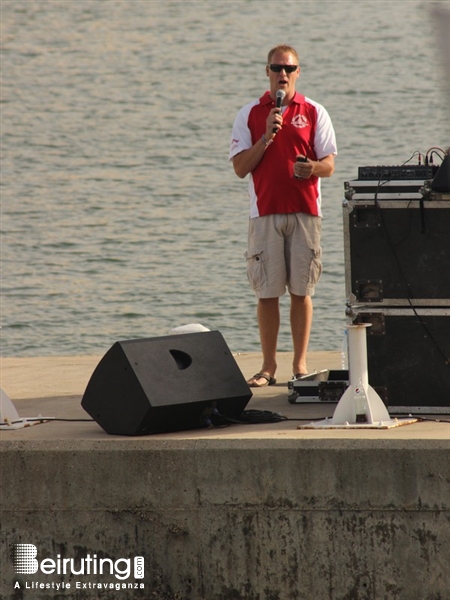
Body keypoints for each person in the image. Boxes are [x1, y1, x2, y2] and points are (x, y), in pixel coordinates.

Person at [229, 44, 337, 387]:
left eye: (290, 69)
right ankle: (268, 367)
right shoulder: (250, 113)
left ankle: (300, 365)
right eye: (277, 68)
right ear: (267, 72)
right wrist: (265, 137)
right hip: (264, 214)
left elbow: (330, 166)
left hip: (306, 213)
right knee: (267, 293)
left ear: (298, 72)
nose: (283, 75)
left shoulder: (315, 111)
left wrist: (312, 168)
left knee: (302, 292)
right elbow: (240, 168)